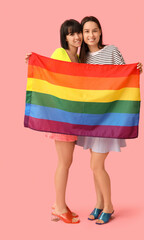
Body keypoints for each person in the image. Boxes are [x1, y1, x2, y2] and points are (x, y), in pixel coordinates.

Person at [76, 16, 143, 225]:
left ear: (100, 31)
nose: (91, 35)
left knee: (97, 165)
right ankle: (98, 203)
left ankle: (109, 206)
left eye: (94, 30)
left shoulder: (111, 50)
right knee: (93, 165)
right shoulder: (82, 58)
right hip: (90, 118)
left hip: (108, 118)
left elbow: (124, 75)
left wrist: (136, 68)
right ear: (82, 35)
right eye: (86, 31)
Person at [25, 19, 82, 224]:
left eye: (77, 33)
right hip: (61, 117)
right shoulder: (60, 53)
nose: (76, 37)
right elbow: (49, 73)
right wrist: (32, 60)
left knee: (67, 162)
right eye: (70, 34)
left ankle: (61, 204)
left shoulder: (79, 58)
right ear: (64, 37)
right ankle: (59, 207)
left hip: (72, 117)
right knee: (64, 162)